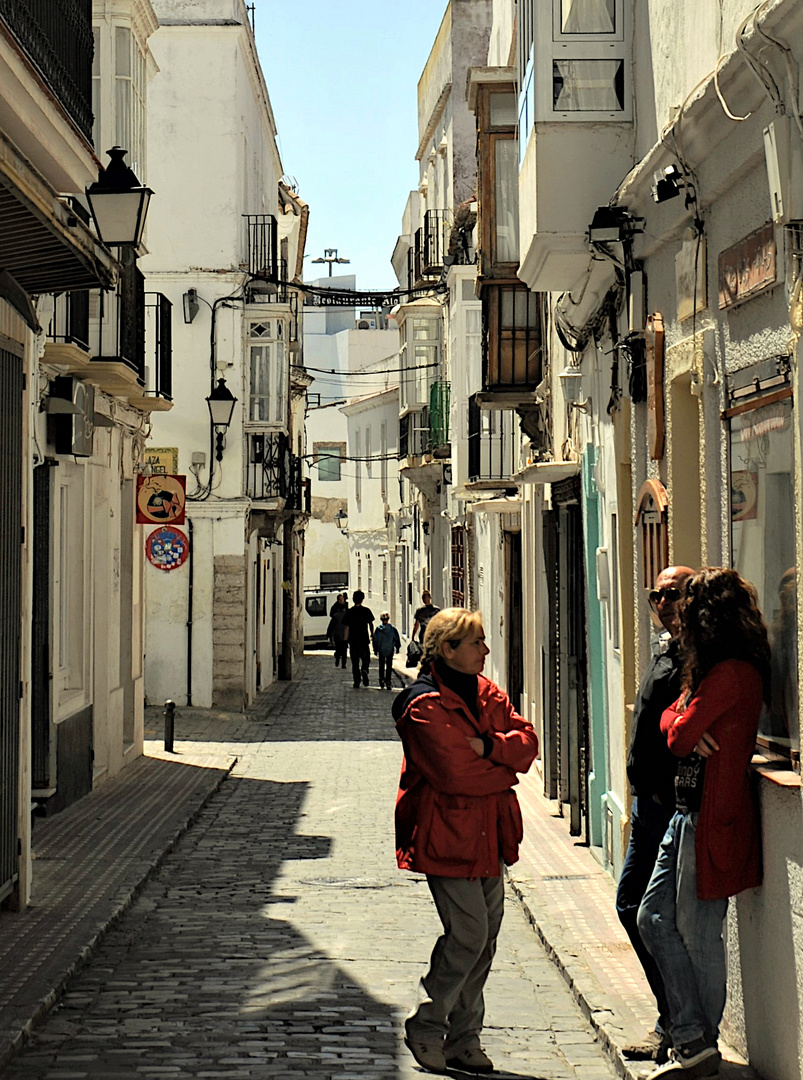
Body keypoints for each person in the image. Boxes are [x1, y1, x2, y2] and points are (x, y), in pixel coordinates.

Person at [392, 608, 538, 1074]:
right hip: (446, 834)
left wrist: (490, 748)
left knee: (485, 939)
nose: (485, 651)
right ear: (447, 649)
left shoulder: (484, 691)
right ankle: (427, 1025)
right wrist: (502, 766)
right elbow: (454, 774)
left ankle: (464, 1039)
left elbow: (528, 742)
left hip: (490, 834)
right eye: (476, 642)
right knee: (469, 934)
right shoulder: (423, 704)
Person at [638, 568, 769, 1080]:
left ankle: (697, 1043)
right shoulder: (710, 673)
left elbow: (676, 736)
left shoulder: (732, 673)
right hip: (685, 812)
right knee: (652, 919)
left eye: (688, 615)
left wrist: (687, 724)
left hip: (711, 820)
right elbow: (672, 720)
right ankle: (691, 1034)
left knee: (699, 934)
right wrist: (686, 721)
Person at [617, 565, 694, 1064]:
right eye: (656, 594)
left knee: (646, 911)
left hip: (667, 807)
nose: (663, 602)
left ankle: (677, 1022)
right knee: (635, 908)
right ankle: (671, 1018)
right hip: (647, 806)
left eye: (674, 594)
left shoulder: (695, 658)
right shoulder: (667, 649)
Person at [342, 590, 375, 689]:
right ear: (362, 599)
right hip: (364, 639)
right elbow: (371, 624)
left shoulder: (349, 612)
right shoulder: (366, 611)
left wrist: (345, 640)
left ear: (353, 599)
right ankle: (364, 669)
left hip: (353, 640)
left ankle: (357, 681)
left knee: (355, 662)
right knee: (366, 658)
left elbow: (346, 627)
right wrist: (371, 634)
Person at [372, 612, 400, 690]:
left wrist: (375, 649)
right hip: (390, 650)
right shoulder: (392, 629)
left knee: (381, 665)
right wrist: (397, 647)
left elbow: (375, 640)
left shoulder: (378, 630)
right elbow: (396, 639)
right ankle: (388, 681)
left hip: (381, 650)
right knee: (389, 666)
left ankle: (381, 680)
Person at [327, 593, 349, 669]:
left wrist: (329, 634)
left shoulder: (345, 609)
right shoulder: (335, 608)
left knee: (342, 649)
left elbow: (331, 625)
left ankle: (341, 662)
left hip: (342, 634)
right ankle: (341, 661)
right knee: (342, 650)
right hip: (341, 634)